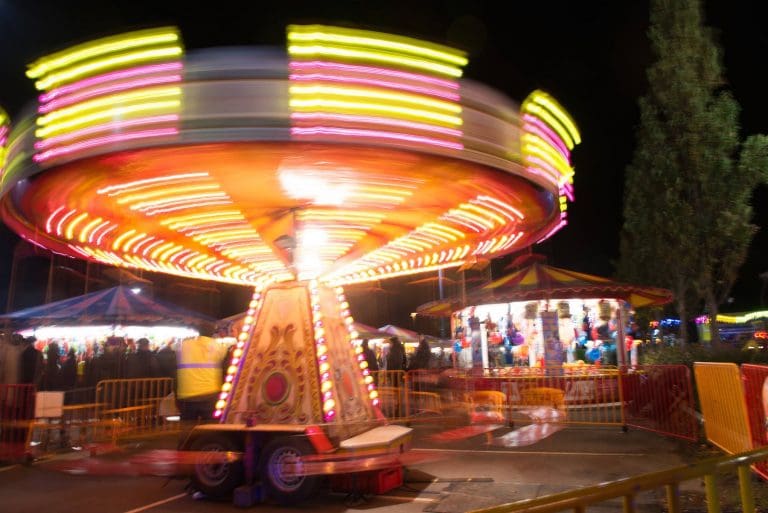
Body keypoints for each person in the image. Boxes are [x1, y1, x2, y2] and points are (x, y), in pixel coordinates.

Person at [176, 329, 226, 423]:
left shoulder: (185, 344)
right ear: (213, 333)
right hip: (210, 393)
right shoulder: (217, 345)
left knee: (187, 428)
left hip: (187, 394)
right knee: (210, 428)